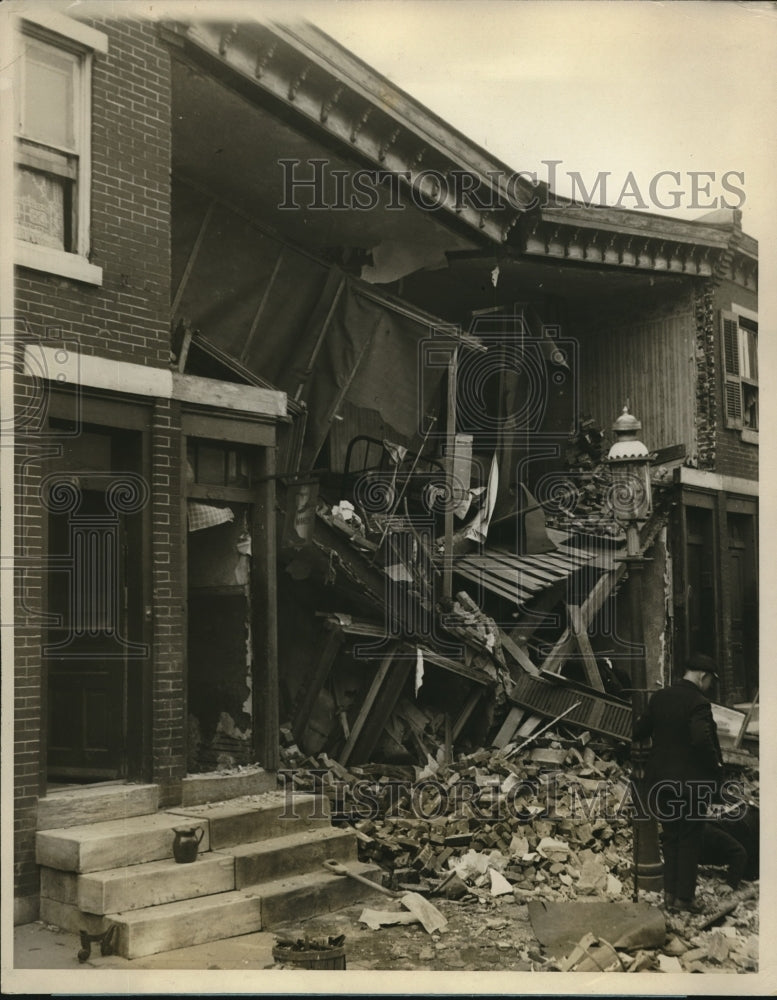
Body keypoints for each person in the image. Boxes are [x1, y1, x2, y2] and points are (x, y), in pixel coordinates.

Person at [634, 652, 724, 913]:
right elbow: (700, 739)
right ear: (703, 676)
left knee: (671, 837)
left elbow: (640, 730)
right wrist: (715, 766)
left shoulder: (659, 697)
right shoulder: (698, 702)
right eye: (710, 682)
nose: (710, 687)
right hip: (692, 785)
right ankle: (684, 899)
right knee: (690, 838)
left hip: (661, 782)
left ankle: (669, 896)